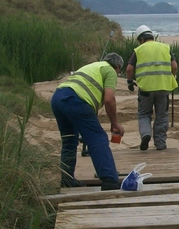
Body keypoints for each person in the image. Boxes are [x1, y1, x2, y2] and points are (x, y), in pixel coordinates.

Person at [51, 52, 125, 190]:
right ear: (118, 66)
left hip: (57, 98)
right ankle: (110, 180)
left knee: (69, 141)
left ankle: (67, 180)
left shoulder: (92, 67)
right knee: (98, 138)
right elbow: (109, 99)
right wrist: (114, 123)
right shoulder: (110, 70)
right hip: (75, 100)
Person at [125, 25, 178, 151]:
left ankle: (146, 134)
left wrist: (129, 82)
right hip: (163, 88)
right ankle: (160, 143)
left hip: (145, 90)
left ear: (141, 39)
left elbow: (129, 69)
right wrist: (173, 77)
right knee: (161, 115)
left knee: (144, 114)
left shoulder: (139, 50)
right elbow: (174, 66)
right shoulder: (165, 48)